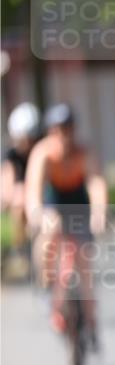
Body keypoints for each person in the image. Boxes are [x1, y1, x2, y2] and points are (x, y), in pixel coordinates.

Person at [24, 104, 107, 347]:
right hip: (53, 206)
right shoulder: (43, 155)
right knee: (48, 233)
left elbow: (96, 183)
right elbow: (33, 191)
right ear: (51, 131)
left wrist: (99, 212)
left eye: (68, 129)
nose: (64, 135)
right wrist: (35, 215)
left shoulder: (84, 153)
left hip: (79, 207)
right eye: (59, 130)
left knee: (83, 261)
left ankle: (91, 319)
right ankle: (46, 285)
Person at [2, 102, 41, 278]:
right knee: (18, 199)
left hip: (40, 195)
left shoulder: (41, 151)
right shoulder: (12, 156)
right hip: (22, 199)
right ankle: (19, 247)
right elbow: (8, 183)